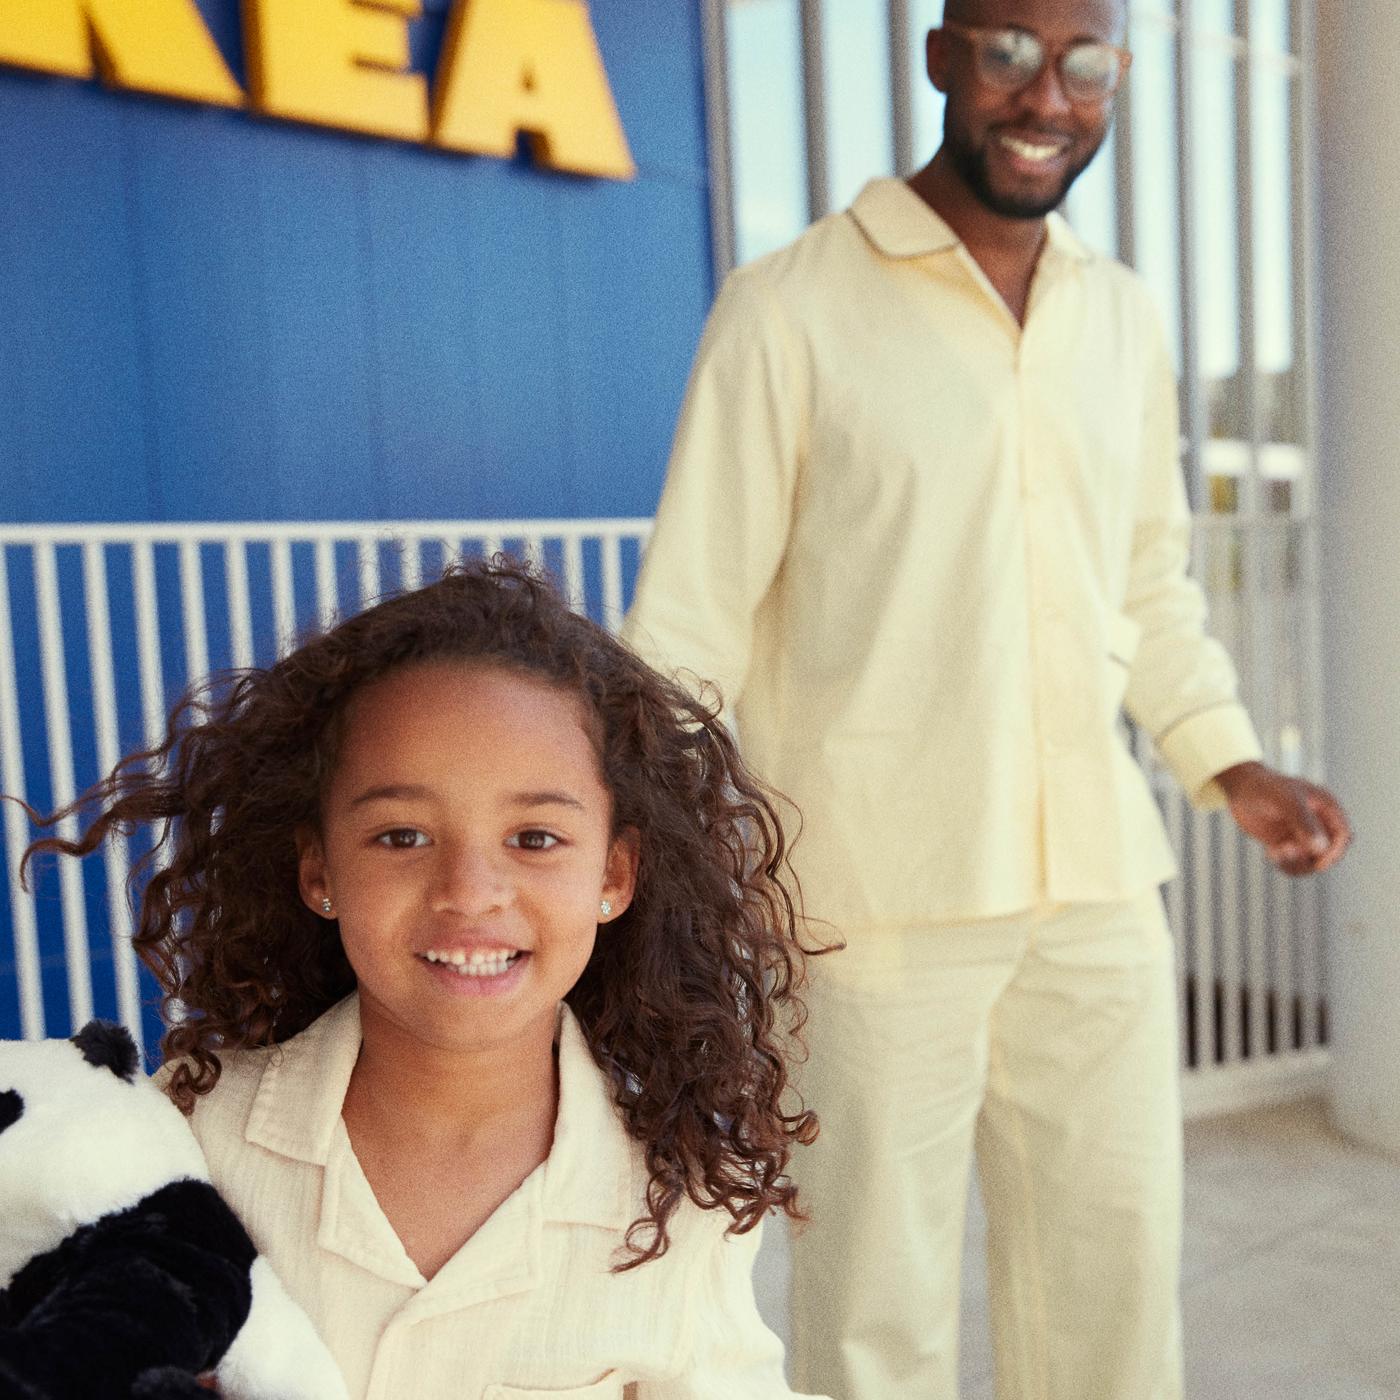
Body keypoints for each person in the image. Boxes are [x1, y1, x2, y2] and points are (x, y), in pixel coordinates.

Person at [620, 1, 1352, 1397]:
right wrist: (646, 841)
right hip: (871, 895)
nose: (1049, 96)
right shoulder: (788, 306)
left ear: (1115, 81)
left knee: (1115, 1273)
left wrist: (1229, 762)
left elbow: (1147, 589)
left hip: (1095, 887)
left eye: (1088, 65)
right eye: (1011, 50)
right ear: (942, 59)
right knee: (874, 1296)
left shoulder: (1120, 316)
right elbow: (691, 618)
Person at [22, 559, 833, 1400]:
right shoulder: (186, 1134)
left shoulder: (677, 1199)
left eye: (536, 837)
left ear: (615, 875)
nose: (469, 893)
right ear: (318, 869)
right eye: (403, 836)